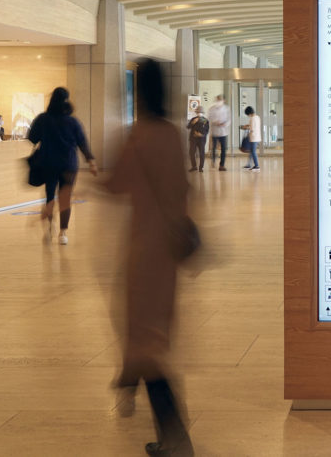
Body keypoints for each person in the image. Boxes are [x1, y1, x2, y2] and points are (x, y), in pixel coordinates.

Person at [106, 58, 194, 457]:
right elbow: (184, 187)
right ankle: (129, 379)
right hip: (168, 250)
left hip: (143, 249)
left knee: (146, 341)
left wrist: (89, 173)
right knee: (150, 333)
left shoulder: (137, 135)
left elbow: (116, 185)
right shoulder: (173, 134)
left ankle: (176, 438)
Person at [29, 87, 97, 245]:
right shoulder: (73, 121)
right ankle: (63, 233)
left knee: (50, 197)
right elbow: (82, 142)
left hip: (49, 163)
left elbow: (32, 138)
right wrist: (91, 161)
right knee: (65, 197)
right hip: (69, 164)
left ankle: (49, 229)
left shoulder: (43, 119)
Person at [207, 95, 230, 171]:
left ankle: (222, 165)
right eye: (218, 99)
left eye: (220, 100)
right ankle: (213, 160)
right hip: (214, 131)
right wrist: (215, 122)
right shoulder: (212, 108)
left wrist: (224, 124)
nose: (219, 101)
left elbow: (229, 119)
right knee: (213, 148)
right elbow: (209, 117)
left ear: (224, 100)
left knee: (223, 149)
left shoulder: (227, 108)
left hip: (223, 132)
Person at [185, 107, 209, 173]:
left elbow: (207, 130)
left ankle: (201, 167)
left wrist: (202, 134)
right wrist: (193, 122)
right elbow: (188, 127)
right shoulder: (193, 119)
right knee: (192, 152)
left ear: (203, 113)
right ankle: (194, 166)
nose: (199, 113)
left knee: (201, 153)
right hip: (193, 139)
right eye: (198, 112)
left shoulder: (205, 120)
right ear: (196, 113)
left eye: (200, 112)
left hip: (202, 139)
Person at [241, 106, 261, 171]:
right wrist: (248, 125)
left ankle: (257, 166)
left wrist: (245, 127)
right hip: (257, 137)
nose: (248, 116)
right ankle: (248, 165)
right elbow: (254, 126)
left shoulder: (252, 119)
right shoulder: (257, 117)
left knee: (253, 152)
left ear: (249, 113)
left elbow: (252, 129)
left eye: (247, 114)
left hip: (253, 137)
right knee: (251, 151)